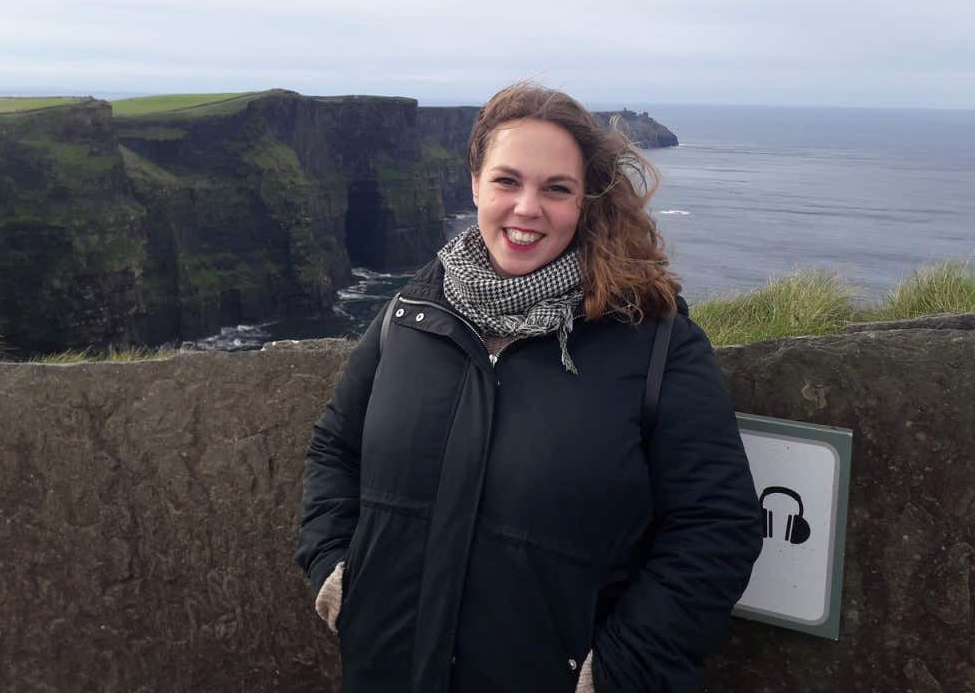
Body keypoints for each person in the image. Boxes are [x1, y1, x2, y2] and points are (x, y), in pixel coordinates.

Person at [295, 82, 762, 693]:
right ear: (474, 184)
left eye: (556, 189)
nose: (527, 207)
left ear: (586, 201)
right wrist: (337, 574)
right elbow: (335, 445)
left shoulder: (654, 343)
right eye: (507, 181)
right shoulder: (409, 315)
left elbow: (717, 527)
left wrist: (618, 670)